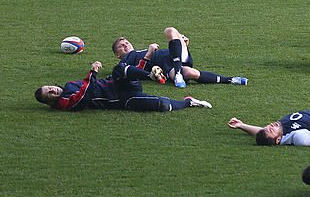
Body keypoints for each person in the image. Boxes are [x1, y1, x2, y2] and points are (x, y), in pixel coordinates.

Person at [35, 60, 212, 112]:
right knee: (163, 105)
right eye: (48, 93)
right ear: (49, 102)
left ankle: (150, 75)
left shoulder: (68, 85)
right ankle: (189, 102)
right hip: (121, 98)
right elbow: (83, 97)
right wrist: (93, 73)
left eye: (49, 87)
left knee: (120, 68)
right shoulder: (64, 103)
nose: (52, 90)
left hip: (118, 83)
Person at [112, 27, 247, 89]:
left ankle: (178, 73)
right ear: (117, 55)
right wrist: (148, 55)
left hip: (174, 55)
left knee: (170, 31)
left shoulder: (137, 51)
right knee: (191, 73)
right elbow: (134, 72)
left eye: (126, 42)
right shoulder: (126, 60)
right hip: (166, 67)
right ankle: (231, 80)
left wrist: (182, 43)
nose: (125, 44)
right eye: (120, 46)